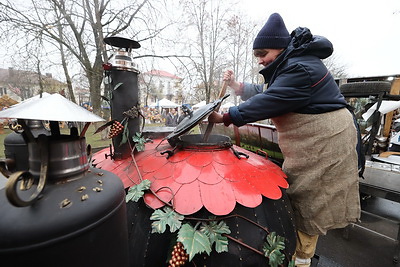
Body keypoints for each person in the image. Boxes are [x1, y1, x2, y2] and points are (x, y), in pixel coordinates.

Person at [208, 13, 360, 267]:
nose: (260, 60)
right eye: (257, 56)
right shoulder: (291, 64)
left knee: (312, 202)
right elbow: (266, 91)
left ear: (279, 47)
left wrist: (225, 116)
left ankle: (301, 259)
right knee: (301, 196)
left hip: (325, 142)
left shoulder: (300, 68)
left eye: (263, 53)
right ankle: (298, 252)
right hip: (313, 143)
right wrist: (236, 85)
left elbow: (269, 100)